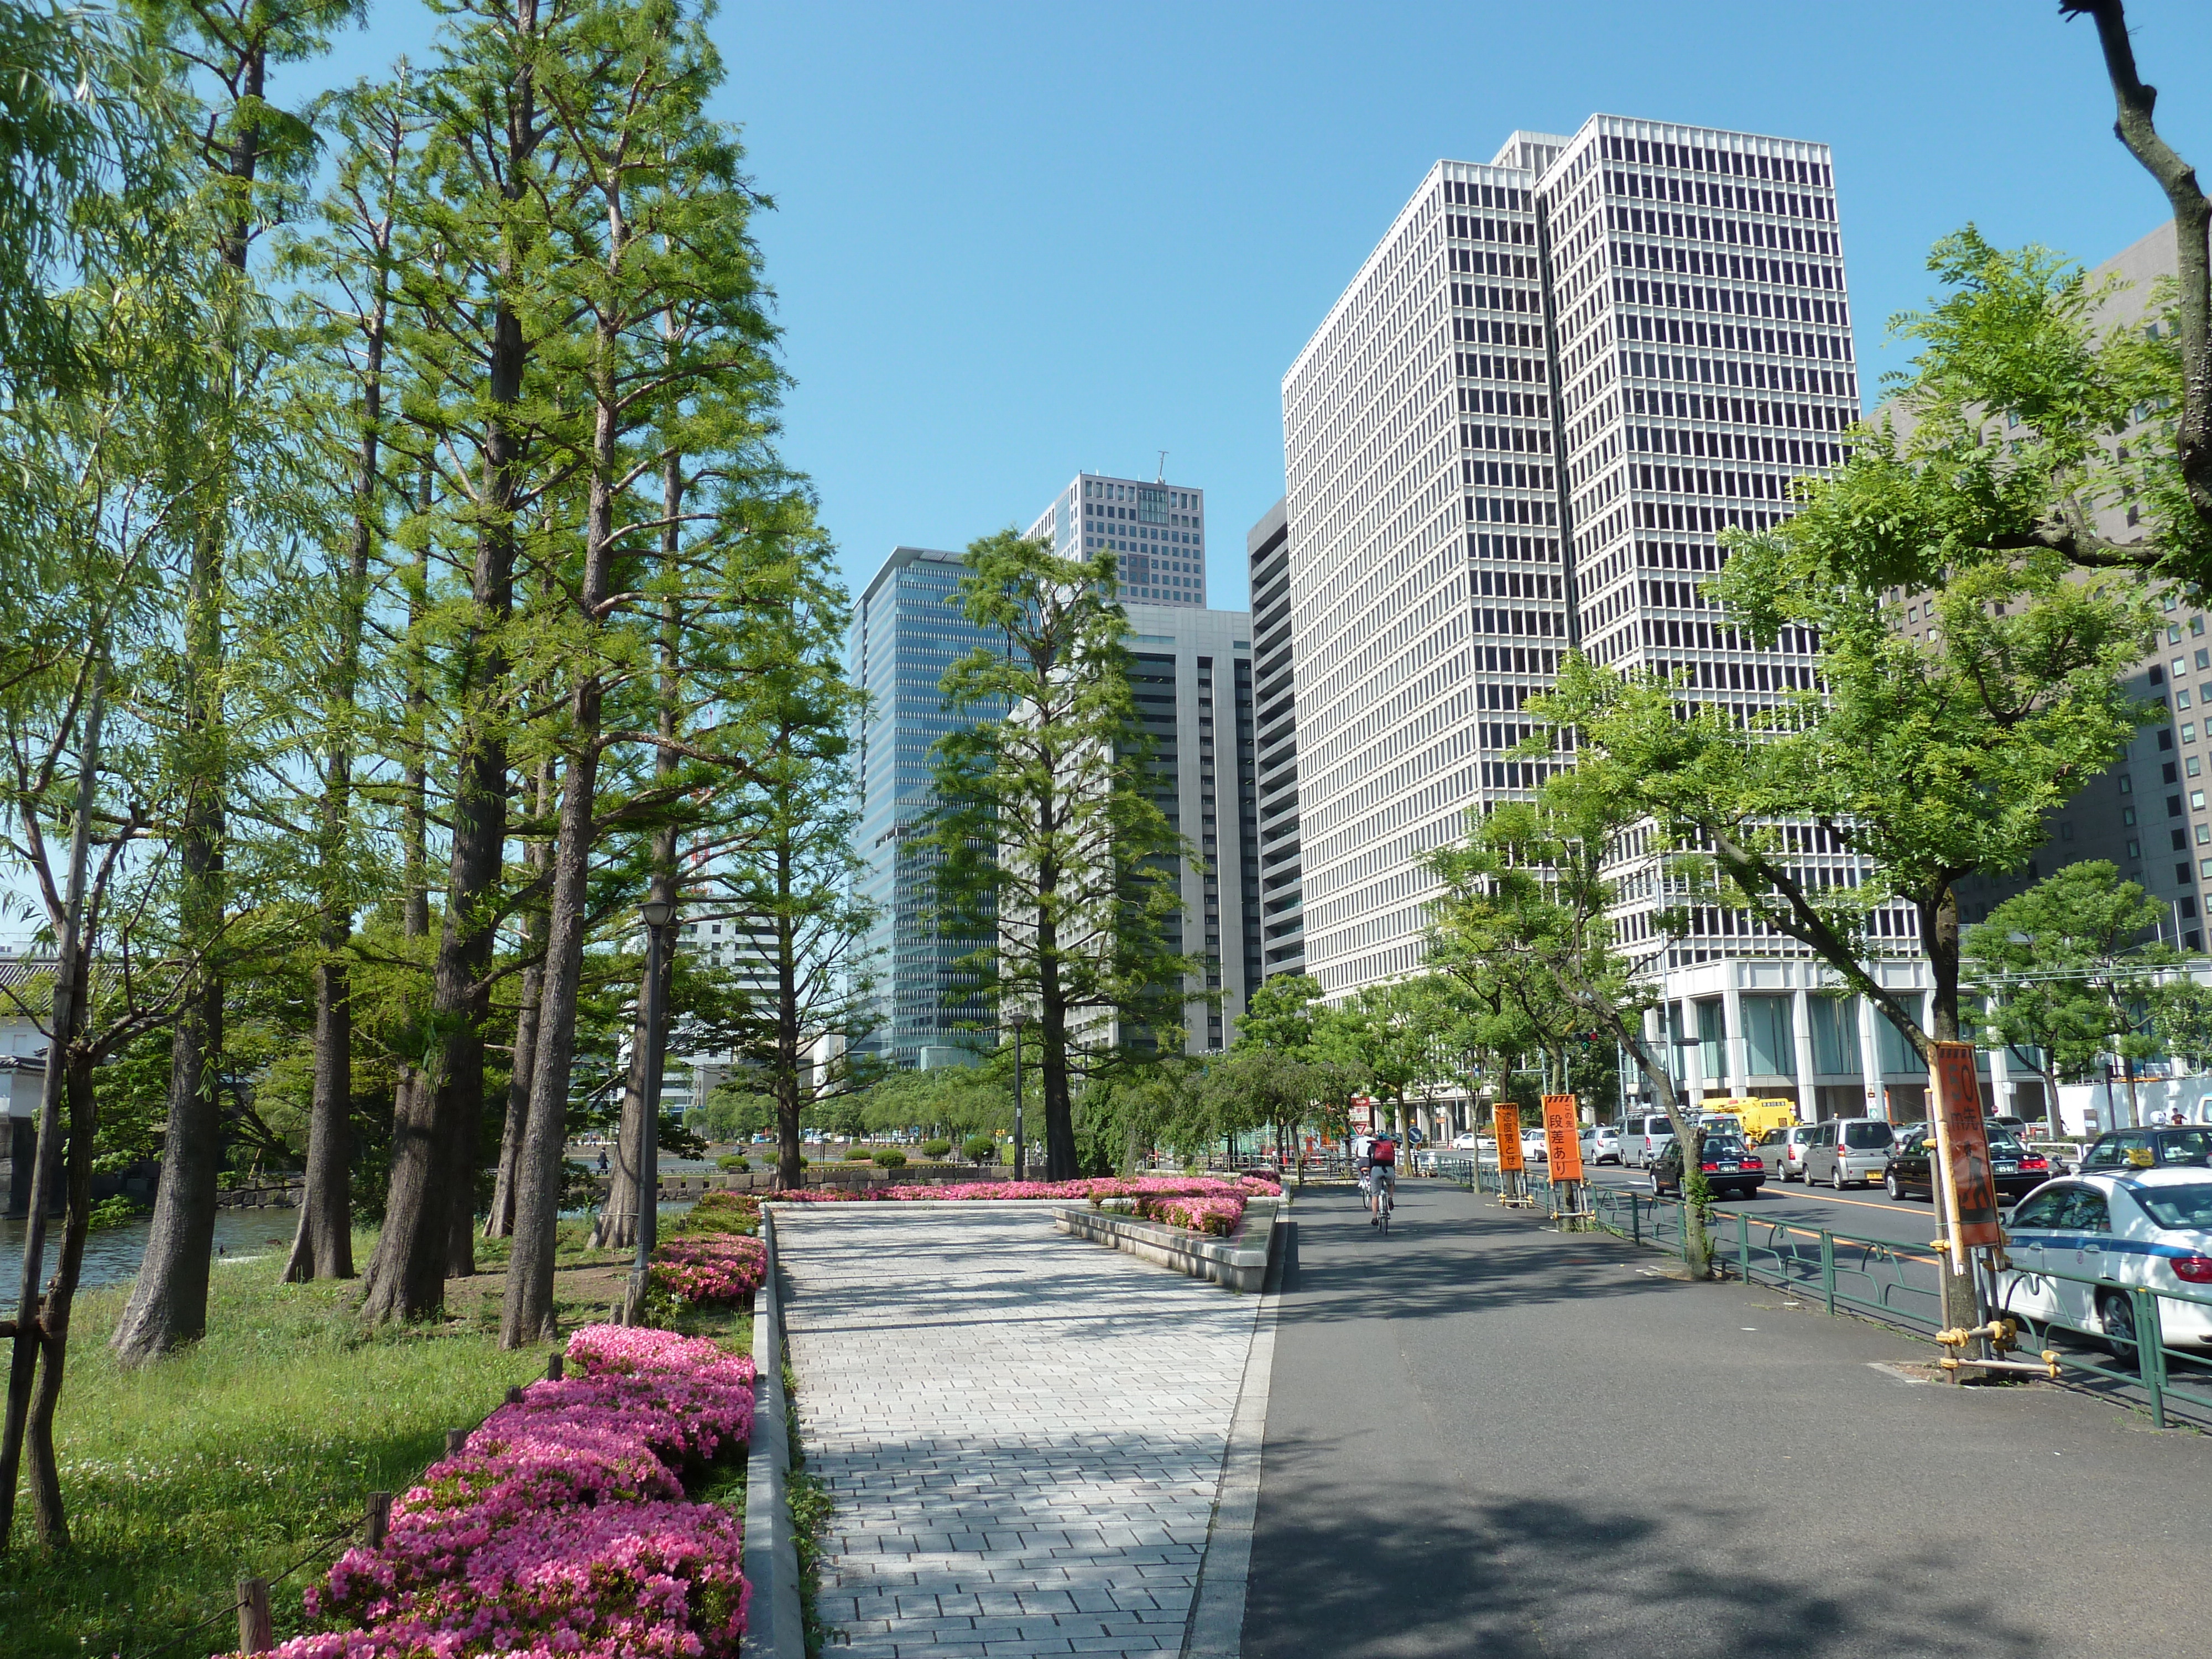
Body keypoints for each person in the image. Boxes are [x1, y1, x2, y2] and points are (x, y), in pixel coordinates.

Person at [1368, 1132, 1397, 1224]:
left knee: (1375, 1194)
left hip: (1376, 1170)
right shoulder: (1390, 1147)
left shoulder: (1372, 1147)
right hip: (1389, 1170)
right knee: (1390, 1184)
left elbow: (1370, 1161)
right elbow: (1393, 1160)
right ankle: (1390, 1198)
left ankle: (1375, 1217)